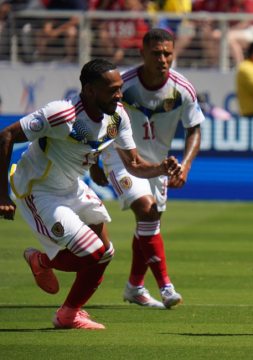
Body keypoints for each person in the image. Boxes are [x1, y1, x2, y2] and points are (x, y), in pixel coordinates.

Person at [0, 58, 182, 329]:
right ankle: (40, 260)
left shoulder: (117, 115)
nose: (119, 94)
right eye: (112, 89)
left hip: (72, 187)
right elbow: (6, 136)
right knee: (92, 252)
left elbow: (133, 164)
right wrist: (2, 195)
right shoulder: (62, 114)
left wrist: (160, 169)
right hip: (39, 190)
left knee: (105, 252)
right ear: (89, 90)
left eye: (120, 87)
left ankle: (69, 314)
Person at [90, 29, 204, 309]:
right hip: (121, 158)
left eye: (168, 53)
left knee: (149, 224)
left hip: (158, 165)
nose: (163, 59)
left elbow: (194, 129)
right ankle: (166, 287)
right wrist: (94, 160)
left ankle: (134, 287)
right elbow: (96, 119)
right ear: (142, 54)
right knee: (146, 210)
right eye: (156, 53)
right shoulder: (123, 86)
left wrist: (186, 166)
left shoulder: (183, 89)